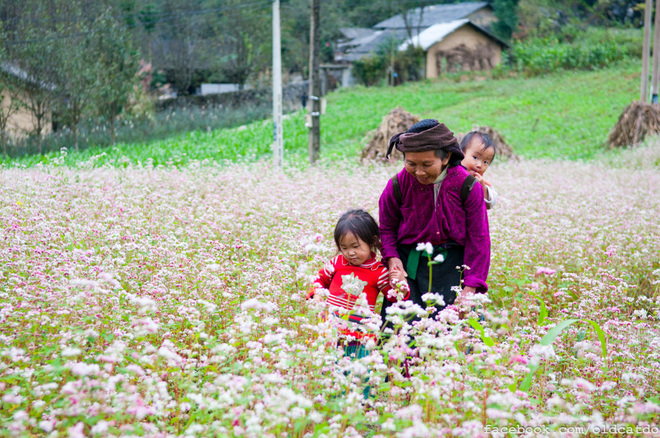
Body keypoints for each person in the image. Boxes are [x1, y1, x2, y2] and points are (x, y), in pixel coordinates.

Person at [379, 119, 490, 323]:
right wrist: (393, 261)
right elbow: (386, 229)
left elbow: (479, 238)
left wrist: (470, 287)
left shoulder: (467, 186)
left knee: (452, 340)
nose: (419, 172)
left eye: (426, 164)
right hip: (408, 270)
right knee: (400, 340)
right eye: (411, 163)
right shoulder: (397, 185)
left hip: (452, 270)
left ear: (446, 157)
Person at [308, 209, 409, 358]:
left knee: (359, 374)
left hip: (360, 337)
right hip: (330, 332)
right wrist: (316, 293)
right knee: (329, 372)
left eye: (355, 246)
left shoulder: (378, 271)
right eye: (344, 247)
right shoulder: (337, 262)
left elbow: (395, 297)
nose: (350, 253)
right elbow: (319, 278)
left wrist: (400, 283)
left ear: (372, 241)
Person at [460, 131, 498, 210]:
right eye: (475, 157)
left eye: (485, 162)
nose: (479, 165)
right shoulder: (451, 172)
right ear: (461, 153)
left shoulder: (480, 181)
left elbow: (490, 204)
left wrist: (482, 187)